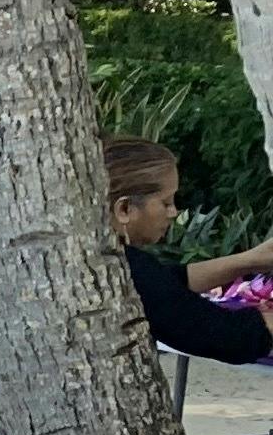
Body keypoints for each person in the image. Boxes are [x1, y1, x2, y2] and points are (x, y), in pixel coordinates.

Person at [107, 137, 273, 365]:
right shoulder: (130, 270)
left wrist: (251, 260)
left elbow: (168, 282)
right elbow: (226, 336)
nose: (173, 212)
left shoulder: (115, 263)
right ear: (124, 209)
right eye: (166, 203)